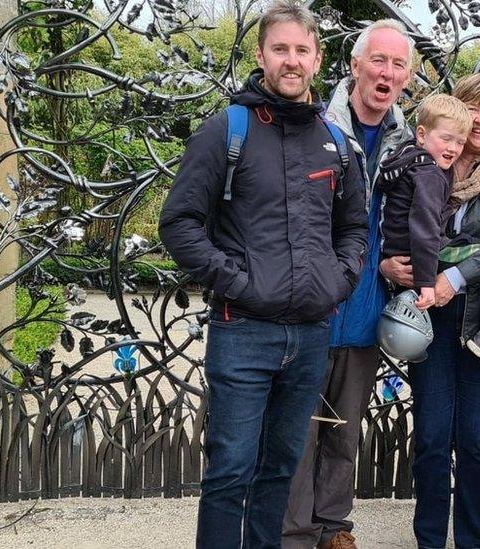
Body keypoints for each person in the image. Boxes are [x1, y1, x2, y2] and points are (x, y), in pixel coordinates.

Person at [157, 3, 368, 548]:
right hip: (242, 331)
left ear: (318, 59)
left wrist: (338, 281)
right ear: (261, 56)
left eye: (302, 50)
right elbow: (179, 222)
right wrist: (237, 281)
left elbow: (354, 228)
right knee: (229, 472)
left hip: (311, 334)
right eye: (280, 49)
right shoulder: (227, 129)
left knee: (280, 468)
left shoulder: (335, 142)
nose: (291, 61)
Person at [381, 73, 480, 549]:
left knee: (474, 440)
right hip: (431, 317)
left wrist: (453, 276)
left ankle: (471, 539)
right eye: (473, 107)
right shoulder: (423, 164)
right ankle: (429, 539)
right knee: (430, 436)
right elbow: (383, 224)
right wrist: (388, 262)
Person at [282, 18, 413, 549]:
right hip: (311, 305)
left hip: (364, 308)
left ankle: (335, 526)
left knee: (343, 428)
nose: (386, 72)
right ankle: (295, 533)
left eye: (398, 64)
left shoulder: (410, 139)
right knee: (298, 428)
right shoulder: (318, 125)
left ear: (406, 77)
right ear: (354, 66)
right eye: (377, 61)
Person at [377, 94, 471, 309]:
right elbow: (425, 228)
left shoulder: (408, 157)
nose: (453, 148)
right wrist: (426, 283)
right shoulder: (429, 175)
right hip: (412, 255)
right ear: (421, 134)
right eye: (446, 139)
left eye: (460, 142)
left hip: (395, 248)